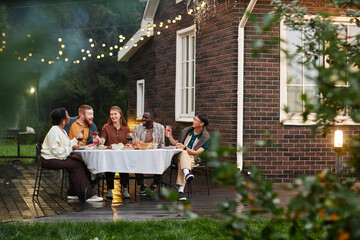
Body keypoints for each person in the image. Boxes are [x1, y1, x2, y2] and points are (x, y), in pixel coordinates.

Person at [41, 107, 103, 202]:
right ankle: (88, 195)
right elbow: (55, 150)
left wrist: (76, 138)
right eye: (67, 116)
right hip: (49, 159)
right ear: (63, 120)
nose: (69, 117)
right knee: (75, 165)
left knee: (79, 163)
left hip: (55, 157)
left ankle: (72, 193)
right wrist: (71, 148)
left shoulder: (62, 130)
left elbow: (67, 144)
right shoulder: (54, 130)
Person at [167, 113, 210, 201]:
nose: (193, 121)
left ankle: (181, 188)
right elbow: (176, 144)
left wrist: (185, 148)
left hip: (194, 159)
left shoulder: (205, 138)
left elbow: (196, 153)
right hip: (179, 156)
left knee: (184, 156)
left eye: (195, 120)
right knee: (183, 154)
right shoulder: (186, 131)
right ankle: (186, 175)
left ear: (201, 124)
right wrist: (170, 136)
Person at [99, 106, 131, 199]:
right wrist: (99, 140)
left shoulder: (126, 128)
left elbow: (128, 143)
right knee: (109, 166)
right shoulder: (106, 127)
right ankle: (109, 189)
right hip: (110, 155)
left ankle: (125, 188)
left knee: (124, 164)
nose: (113, 116)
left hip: (122, 155)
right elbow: (103, 139)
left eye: (115, 114)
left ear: (120, 115)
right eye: (111, 114)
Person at [132, 110, 165, 195]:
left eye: (145, 117)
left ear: (152, 119)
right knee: (136, 163)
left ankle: (154, 184)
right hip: (141, 154)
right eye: (143, 117)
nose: (143, 119)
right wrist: (137, 143)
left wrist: (160, 145)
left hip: (155, 154)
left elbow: (162, 143)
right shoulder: (137, 128)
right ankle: (141, 186)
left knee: (160, 163)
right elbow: (134, 142)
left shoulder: (160, 128)